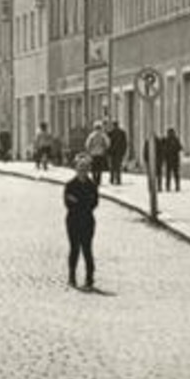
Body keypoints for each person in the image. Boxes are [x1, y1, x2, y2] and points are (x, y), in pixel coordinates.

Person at [63, 154, 100, 289]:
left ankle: (89, 278)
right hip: (72, 221)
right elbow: (68, 203)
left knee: (87, 249)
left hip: (88, 221)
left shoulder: (92, 185)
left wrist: (78, 201)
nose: (82, 171)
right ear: (76, 169)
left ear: (88, 169)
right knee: (74, 248)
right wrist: (84, 202)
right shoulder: (70, 185)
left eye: (85, 168)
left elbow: (94, 203)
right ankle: (72, 277)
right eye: (80, 168)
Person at [84, 121, 110, 191]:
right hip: (100, 153)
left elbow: (87, 144)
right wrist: (104, 148)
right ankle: (98, 179)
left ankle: (94, 179)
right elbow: (108, 143)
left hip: (93, 153)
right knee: (99, 167)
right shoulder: (103, 135)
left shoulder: (92, 135)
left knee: (93, 167)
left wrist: (89, 150)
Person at [106, 120, 128, 185]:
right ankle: (118, 180)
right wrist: (124, 151)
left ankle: (112, 179)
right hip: (119, 152)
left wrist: (108, 151)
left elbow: (108, 143)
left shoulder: (110, 133)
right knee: (118, 166)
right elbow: (125, 143)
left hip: (112, 152)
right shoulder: (122, 133)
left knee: (112, 167)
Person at [160, 128, 183, 192]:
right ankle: (176, 186)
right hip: (174, 160)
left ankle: (169, 187)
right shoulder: (174, 140)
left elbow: (164, 150)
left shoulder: (169, 140)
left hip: (170, 160)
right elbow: (180, 148)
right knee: (175, 174)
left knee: (169, 174)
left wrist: (164, 158)